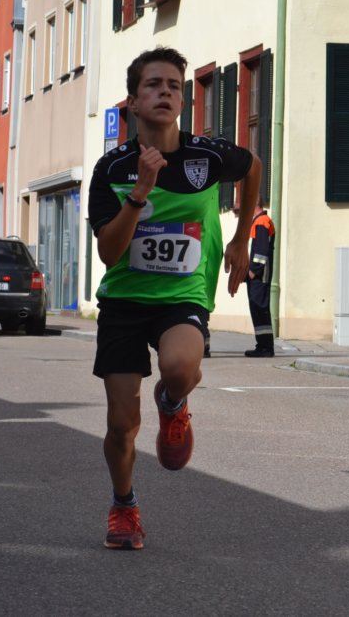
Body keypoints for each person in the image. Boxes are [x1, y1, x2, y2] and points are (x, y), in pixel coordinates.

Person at [88, 47, 262, 550]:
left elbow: (253, 166)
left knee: (181, 367)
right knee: (121, 425)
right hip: (124, 300)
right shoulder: (111, 168)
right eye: (153, 85)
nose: (165, 92)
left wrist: (241, 238)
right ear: (132, 102)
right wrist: (140, 191)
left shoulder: (206, 157)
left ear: (182, 101)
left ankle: (173, 401)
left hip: (182, 294)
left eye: (173, 86)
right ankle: (124, 506)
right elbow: (109, 253)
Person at [242, 202, 276, 357]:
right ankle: (263, 346)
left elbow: (261, 250)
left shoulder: (261, 222)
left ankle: (265, 347)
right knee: (258, 309)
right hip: (259, 274)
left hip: (259, 275)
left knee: (260, 309)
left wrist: (253, 270)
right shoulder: (260, 221)